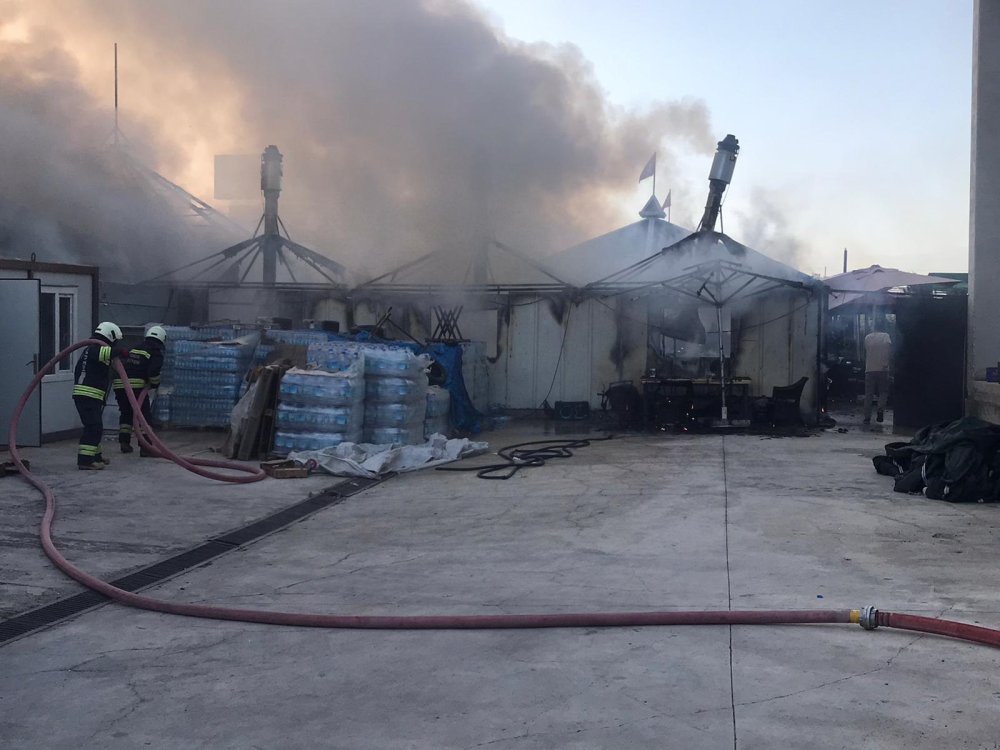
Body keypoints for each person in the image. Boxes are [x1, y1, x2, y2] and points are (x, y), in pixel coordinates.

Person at [73, 321, 123, 470]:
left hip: (91, 396)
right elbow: (108, 353)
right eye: (115, 341)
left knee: (95, 427)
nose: (115, 344)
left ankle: (96, 456)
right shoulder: (95, 348)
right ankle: (85, 461)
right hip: (87, 395)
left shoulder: (92, 349)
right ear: (110, 336)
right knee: (93, 427)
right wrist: (121, 351)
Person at [113, 325, 166, 456]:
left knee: (126, 413)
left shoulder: (136, 347)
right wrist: (154, 383)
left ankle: (124, 442)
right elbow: (153, 371)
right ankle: (146, 448)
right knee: (143, 416)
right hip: (136, 386)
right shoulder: (155, 351)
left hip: (119, 384)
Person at [863, 322, 892, 425]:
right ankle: (880, 410)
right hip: (883, 368)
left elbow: (866, 351)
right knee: (883, 392)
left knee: (868, 394)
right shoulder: (885, 336)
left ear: (873, 328)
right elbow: (889, 349)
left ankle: (867, 417)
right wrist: (887, 362)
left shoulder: (867, 337)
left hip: (869, 369)